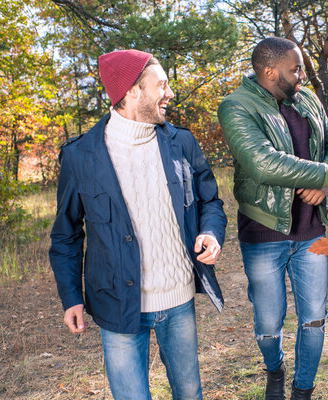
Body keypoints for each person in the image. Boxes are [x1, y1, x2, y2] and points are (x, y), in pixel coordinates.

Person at [49, 49, 227, 400]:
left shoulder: (182, 143)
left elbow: (211, 202)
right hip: (117, 303)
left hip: (177, 301)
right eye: (161, 85)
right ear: (131, 91)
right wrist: (71, 297)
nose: (169, 94)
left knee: (190, 393)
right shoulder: (81, 155)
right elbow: (66, 235)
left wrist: (211, 232)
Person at [217, 37, 328, 400]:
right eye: (295, 68)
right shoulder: (236, 107)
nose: (302, 74)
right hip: (263, 230)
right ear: (270, 72)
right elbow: (263, 163)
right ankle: (275, 368)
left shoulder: (307, 98)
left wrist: (324, 179)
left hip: (311, 230)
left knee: (314, 318)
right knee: (269, 324)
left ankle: (303, 389)